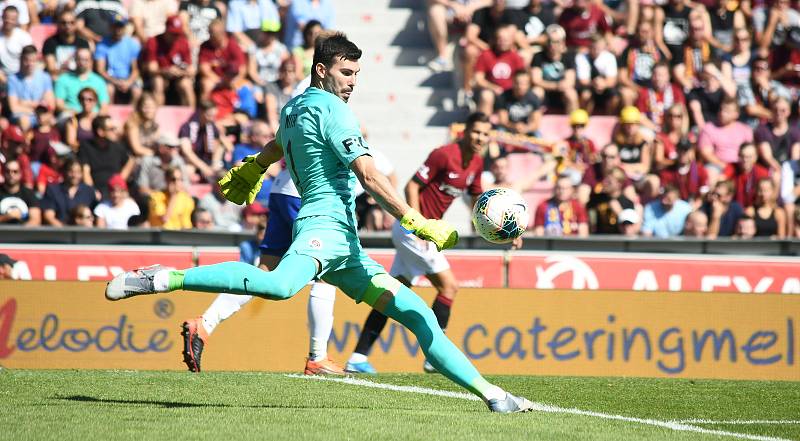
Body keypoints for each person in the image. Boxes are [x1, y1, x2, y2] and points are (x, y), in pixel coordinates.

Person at [105, 32, 533, 413]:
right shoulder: (336, 111)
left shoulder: (294, 107)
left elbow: (281, 143)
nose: (352, 82)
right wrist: (417, 221)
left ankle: (493, 395)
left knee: (418, 313)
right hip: (321, 229)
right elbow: (368, 174)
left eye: (357, 74)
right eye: (347, 72)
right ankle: (167, 278)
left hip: (346, 248)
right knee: (277, 284)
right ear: (322, 69)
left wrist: (255, 165)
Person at [346, 112, 491, 374]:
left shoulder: (477, 163)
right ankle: (435, 355)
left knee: (389, 295)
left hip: (422, 234)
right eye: (476, 131)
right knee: (449, 287)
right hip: (414, 232)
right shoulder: (444, 154)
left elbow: (477, 196)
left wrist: (494, 227)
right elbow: (412, 186)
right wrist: (418, 225)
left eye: (485, 133)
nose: (480, 137)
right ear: (465, 131)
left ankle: (357, 357)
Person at [143, 15, 195, 107]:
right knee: (158, 82)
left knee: (186, 84)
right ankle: (157, 116)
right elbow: (151, 69)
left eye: (178, 34)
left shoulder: (183, 42)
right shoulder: (154, 42)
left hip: (179, 76)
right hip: (160, 75)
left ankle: (192, 117)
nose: (175, 37)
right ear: (166, 30)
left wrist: (180, 72)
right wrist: (166, 71)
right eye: (173, 34)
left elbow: (191, 70)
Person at [78, 115, 134, 200]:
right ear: (100, 132)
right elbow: (86, 172)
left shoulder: (117, 146)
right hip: (98, 191)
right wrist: (92, 191)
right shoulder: (86, 147)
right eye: (111, 129)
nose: (116, 132)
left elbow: (130, 161)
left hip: (116, 191)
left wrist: (120, 181)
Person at [94, 14, 142, 104]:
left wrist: (128, 82)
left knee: (137, 91)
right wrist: (116, 82)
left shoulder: (132, 44)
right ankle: (109, 114)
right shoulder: (102, 45)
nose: (118, 30)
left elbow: (135, 69)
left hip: (127, 79)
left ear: (124, 28)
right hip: (110, 79)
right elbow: (100, 70)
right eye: (115, 27)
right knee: (109, 90)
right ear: (110, 27)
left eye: (120, 27)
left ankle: (133, 114)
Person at [7, 45, 55, 132]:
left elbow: (51, 104)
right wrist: (36, 108)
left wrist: (24, 103)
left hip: (41, 114)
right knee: (24, 121)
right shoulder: (13, 79)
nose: (30, 64)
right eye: (26, 60)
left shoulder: (45, 77)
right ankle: (25, 145)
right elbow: (14, 107)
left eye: (33, 60)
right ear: (21, 60)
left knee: (52, 121)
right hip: (23, 115)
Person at [40, 158, 98, 226]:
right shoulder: (53, 190)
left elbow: (95, 216)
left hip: (84, 232)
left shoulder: (89, 191)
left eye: (78, 172)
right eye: (71, 171)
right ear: (64, 172)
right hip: (59, 232)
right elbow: (49, 216)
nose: (74, 175)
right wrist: (64, 232)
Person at [54, 47, 110, 115]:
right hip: (71, 115)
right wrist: (78, 113)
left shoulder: (99, 81)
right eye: (79, 59)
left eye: (86, 60)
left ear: (91, 61)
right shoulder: (63, 79)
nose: (82, 62)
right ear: (75, 60)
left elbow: (104, 106)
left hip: (93, 116)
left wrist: (93, 116)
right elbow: (59, 104)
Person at [42, 9, 91, 80]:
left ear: (76, 24)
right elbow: (51, 69)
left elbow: (87, 67)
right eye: (63, 23)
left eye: (71, 23)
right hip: (58, 77)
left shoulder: (83, 43)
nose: (68, 26)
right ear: (58, 24)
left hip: (78, 77)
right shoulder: (50, 42)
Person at [0, 159, 40, 225]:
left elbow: (36, 220)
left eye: (15, 171)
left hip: (24, 234)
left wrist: (20, 233)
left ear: (20, 174)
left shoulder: (29, 193)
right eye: (8, 171)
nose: (11, 174)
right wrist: (7, 217)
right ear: (3, 173)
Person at [124, 93, 162, 157]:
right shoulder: (132, 124)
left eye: (152, 107)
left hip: (150, 156)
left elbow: (157, 145)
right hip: (133, 158)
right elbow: (136, 149)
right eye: (146, 107)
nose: (149, 110)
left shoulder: (156, 126)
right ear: (139, 107)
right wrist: (154, 154)